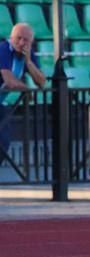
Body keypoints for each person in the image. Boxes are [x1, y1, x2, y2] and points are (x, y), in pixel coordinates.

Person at [0, 23, 46, 166]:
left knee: (3, 140)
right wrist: (26, 87)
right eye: (18, 38)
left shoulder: (28, 54)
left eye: (26, 40)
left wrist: (29, 63)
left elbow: (41, 82)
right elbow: (9, 80)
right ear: (11, 37)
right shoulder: (3, 49)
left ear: (31, 42)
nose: (21, 43)